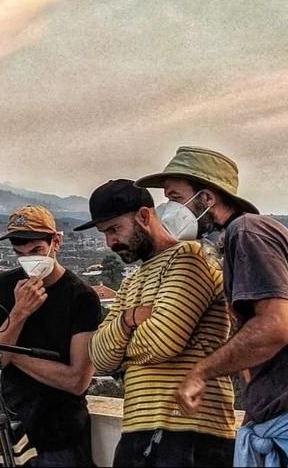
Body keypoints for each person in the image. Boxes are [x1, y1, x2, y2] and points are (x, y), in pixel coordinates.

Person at [150, 146, 288, 467]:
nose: (167, 208)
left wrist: (200, 372)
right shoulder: (242, 240)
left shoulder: (249, 231)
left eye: (175, 197)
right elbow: (262, 350)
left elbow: (276, 327)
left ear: (207, 198)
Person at [83, 179, 235, 467]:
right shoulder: (134, 281)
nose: (110, 242)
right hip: (138, 432)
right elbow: (99, 358)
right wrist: (131, 319)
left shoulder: (189, 258)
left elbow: (163, 342)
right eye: (105, 233)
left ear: (143, 216)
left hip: (190, 430)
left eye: (114, 229)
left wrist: (123, 350)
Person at [0, 204, 102, 467]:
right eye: (20, 253)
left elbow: (77, 380)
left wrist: (10, 352)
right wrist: (19, 313)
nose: (29, 260)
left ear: (55, 242)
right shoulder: (1, 287)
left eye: (36, 250)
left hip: (60, 436)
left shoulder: (81, 297)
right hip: (11, 431)